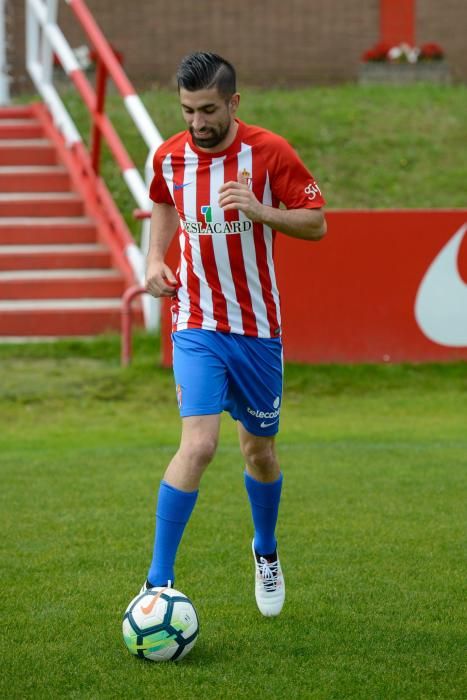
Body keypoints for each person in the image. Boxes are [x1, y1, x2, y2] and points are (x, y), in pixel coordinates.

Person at [142, 51, 326, 617]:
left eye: (208, 110)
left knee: (260, 453)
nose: (197, 123)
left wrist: (261, 211)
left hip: (257, 331)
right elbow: (161, 202)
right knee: (197, 445)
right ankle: (155, 584)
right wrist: (154, 258)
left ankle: (265, 550)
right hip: (195, 323)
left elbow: (317, 223)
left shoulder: (269, 153)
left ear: (233, 103)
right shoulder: (170, 156)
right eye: (187, 111)